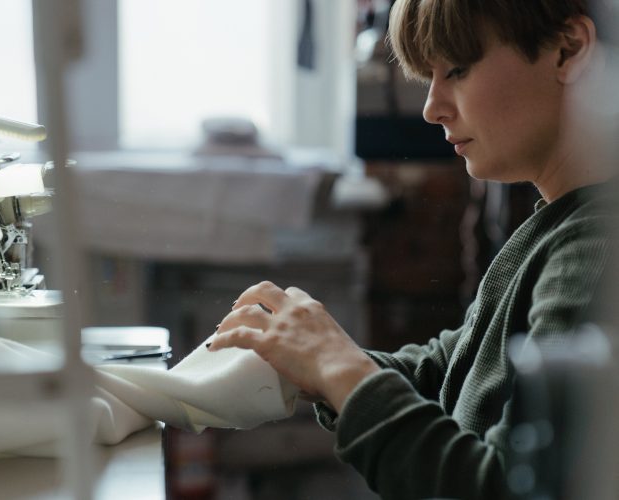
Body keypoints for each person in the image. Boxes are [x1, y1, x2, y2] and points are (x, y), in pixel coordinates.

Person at [207, 0, 617, 498]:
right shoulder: (560, 227)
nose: (431, 107)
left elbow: (508, 488)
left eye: (459, 69)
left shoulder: (595, 251)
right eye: (430, 76)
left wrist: (338, 366)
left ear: (567, 49)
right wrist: (310, 361)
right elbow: (444, 372)